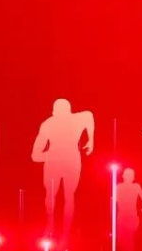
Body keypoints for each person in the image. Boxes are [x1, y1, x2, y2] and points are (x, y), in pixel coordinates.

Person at [31, 99, 95, 244]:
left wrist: (91, 140)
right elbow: (35, 155)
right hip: (57, 162)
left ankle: (64, 233)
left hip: (70, 162)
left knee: (68, 196)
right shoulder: (48, 124)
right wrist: (52, 156)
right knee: (53, 196)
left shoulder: (71, 120)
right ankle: (51, 225)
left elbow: (89, 116)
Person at [115, 168, 142, 251]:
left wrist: (141, 210)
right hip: (123, 218)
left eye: (131, 175)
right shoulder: (118, 187)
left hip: (129, 218)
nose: (130, 177)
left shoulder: (135, 186)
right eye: (128, 175)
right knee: (125, 243)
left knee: (128, 242)